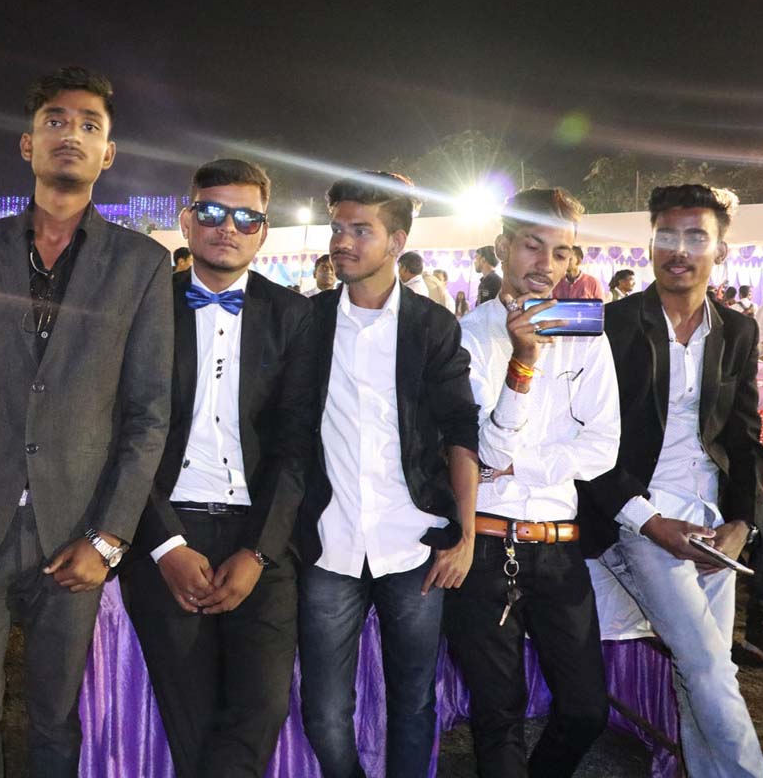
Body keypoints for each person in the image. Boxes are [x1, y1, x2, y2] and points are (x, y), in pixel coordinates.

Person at [0, 66, 173, 778]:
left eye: (90, 125)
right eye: (55, 121)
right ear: (27, 143)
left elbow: (147, 414)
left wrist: (109, 537)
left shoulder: (142, 265)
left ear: (108, 154)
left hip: (77, 531)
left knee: (58, 725)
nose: (72, 134)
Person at [123, 159, 317, 778]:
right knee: (192, 716)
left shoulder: (294, 317)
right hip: (165, 530)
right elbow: (123, 433)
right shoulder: (144, 308)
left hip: (260, 536)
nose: (226, 227)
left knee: (261, 708)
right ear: (186, 221)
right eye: (210, 211)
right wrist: (166, 546)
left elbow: (296, 445)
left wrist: (259, 552)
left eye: (245, 217)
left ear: (263, 231)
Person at [580, 184, 763, 778]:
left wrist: (743, 523)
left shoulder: (736, 331)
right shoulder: (610, 325)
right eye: (666, 235)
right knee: (708, 665)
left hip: (713, 522)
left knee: (703, 668)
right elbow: (588, 444)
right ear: (651, 244)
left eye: (695, 237)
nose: (678, 250)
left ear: (720, 250)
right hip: (641, 515)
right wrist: (650, 522)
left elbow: (744, 439)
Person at [297, 171, 479, 778]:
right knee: (324, 712)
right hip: (329, 544)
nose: (341, 242)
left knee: (415, 700)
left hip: (413, 544)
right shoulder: (310, 321)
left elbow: (461, 431)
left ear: (396, 242)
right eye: (337, 228)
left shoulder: (431, 326)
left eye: (360, 230)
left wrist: (465, 534)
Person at [449, 188, 619, 777]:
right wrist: (523, 361)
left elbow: (602, 450)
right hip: (484, 544)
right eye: (532, 245)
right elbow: (485, 451)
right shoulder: (465, 337)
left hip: (558, 544)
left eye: (562, 252)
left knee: (586, 711)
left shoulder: (588, 336)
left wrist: (522, 465)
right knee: (498, 719)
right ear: (502, 247)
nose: (547, 263)